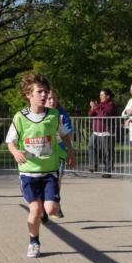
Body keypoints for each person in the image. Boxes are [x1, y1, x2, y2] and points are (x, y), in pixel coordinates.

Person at [6, 73, 75, 258]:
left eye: (46, 92)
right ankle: (34, 242)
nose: (44, 95)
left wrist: (70, 150)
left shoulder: (53, 115)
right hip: (28, 172)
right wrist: (15, 152)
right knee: (35, 209)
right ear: (29, 94)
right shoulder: (20, 117)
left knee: (51, 209)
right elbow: (10, 141)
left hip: (49, 171)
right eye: (40, 92)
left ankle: (49, 203)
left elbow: (65, 134)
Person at [44, 88, 73, 222]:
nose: (52, 101)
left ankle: (56, 203)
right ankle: (43, 207)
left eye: (54, 98)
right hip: (43, 156)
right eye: (50, 98)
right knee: (43, 181)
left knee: (57, 180)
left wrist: (69, 148)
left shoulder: (62, 114)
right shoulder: (38, 114)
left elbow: (67, 132)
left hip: (59, 153)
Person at [87, 89, 117, 177]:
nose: (100, 97)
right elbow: (90, 114)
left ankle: (108, 171)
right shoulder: (99, 105)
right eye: (100, 95)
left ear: (107, 96)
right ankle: (94, 166)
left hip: (107, 132)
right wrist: (93, 107)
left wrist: (96, 108)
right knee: (91, 147)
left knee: (107, 152)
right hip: (96, 132)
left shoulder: (111, 105)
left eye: (102, 95)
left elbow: (104, 115)